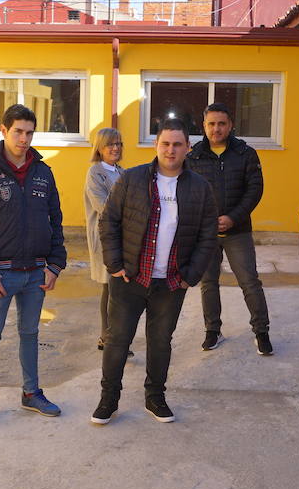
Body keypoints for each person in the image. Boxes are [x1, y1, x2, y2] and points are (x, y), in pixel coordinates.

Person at [92, 118, 218, 425]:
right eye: (165, 143)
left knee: (161, 342)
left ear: (188, 148)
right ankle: (109, 399)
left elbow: (207, 235)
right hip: (130, 278)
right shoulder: (132, 179)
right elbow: (108, 221)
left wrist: (191, 275)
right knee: (117, 340)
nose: (171, 150)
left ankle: (155, 397)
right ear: (156, 145)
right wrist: (115, 264)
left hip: (171, 282)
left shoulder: (200, 188)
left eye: (177, 144)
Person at [0, 103, 67, 428]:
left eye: (29, 133)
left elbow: (56, 220)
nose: (24, 139)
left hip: (36, 273)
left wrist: (55, 264)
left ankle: (31, 393)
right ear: (4, 131)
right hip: (1, 274)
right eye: (18, 131)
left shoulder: (43, 172)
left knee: (30, 333)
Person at [186, 103, 272, 355]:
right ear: (204, 126)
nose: (216, 129)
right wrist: (205, 221)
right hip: (206, 234)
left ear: (231, 125)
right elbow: (188, 194)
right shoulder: (193, 157)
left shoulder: (246, 154)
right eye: (211, 124)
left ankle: (261, 332)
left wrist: (233, 218)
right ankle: (212, 330)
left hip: (238, 231)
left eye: (221, 124)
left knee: (249, 282)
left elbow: (254, 190)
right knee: (208, 283)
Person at [84, 127, 127, 352]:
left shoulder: (122, 172)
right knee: (109, 286)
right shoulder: (95, 173)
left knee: (119, 289)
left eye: (118, 143)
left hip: (123, 236)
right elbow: (103, 206)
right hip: (104, 238)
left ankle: (115, 337)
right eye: (110, 144)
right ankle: (107, 337)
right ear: (100, 148)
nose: (115, 148)